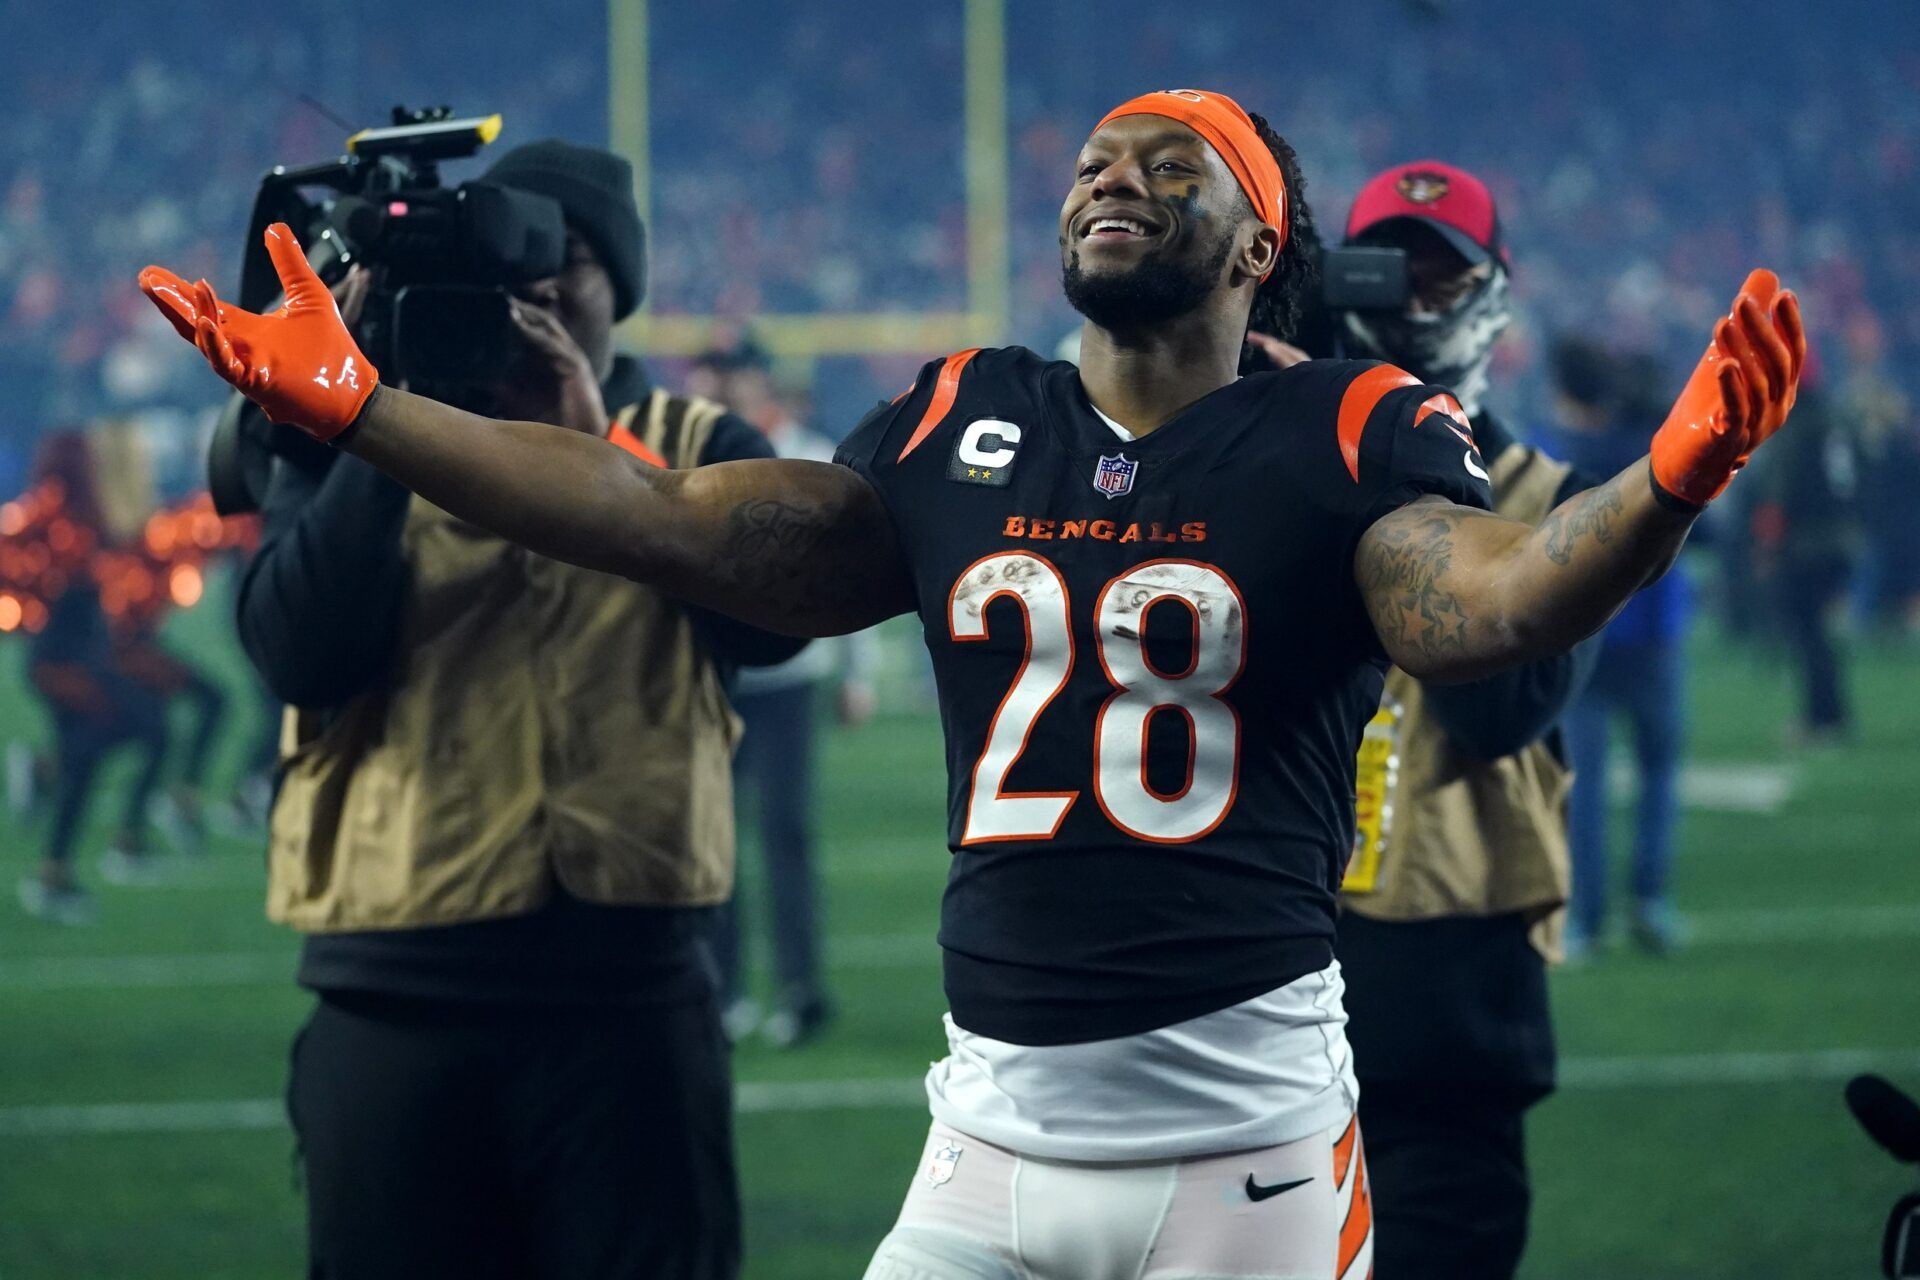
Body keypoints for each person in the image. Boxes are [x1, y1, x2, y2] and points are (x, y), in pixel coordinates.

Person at [142, 88, 1804, 1279]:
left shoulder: (1343, 427)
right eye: (1095, 160)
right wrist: (364, 408)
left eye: (1175, 166)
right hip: (988, 1144)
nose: (1114, 179)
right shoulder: (961, 418)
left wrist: (1665, 480)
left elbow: (1486, 605)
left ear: (1256, 249)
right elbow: (657, 511)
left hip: (1247, 1157)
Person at [230, 140, 802, 1280]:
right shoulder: (344, 431)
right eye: (511, 257)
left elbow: (774, 621)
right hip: (393, 997)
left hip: (628, 999)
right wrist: (383, 422)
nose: (536, 287)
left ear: (619, 286)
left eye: (566, 255)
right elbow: (302, 651)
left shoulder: (696, 447)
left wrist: (602, 451)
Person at [1320, 162, 1601, 1279]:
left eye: (1444, 270)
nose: (1414, 296)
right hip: (1269, 974)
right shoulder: (1268, 456)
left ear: (1493, 291)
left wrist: (1408, 458)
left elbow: (1504, 709)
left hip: (1451, 996)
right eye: (1389, 265)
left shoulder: (1546, 495)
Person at [700, 350, 880, 1047]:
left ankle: (800, 989)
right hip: (721, 677)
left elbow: (854, 572)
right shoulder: (701, 454)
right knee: (715, 841)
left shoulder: (811, 457)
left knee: (787, 835)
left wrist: (856, 672)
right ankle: (726, 991)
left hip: (791, 680)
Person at [1547, 341, 1696, 957]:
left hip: (1588, 636)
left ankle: (1584, 917)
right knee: (1658, 771)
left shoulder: (1560, 450)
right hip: (1655, 634)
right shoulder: (1657, 450)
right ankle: (1650, 901)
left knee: (1585, 780)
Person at [16, 432, 173, 924]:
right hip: (62, 665)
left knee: (93, 756)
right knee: (150, 726)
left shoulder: (75, 515)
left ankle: (54, 869)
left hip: (74, 660)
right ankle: (107, 838)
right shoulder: (59, 518)